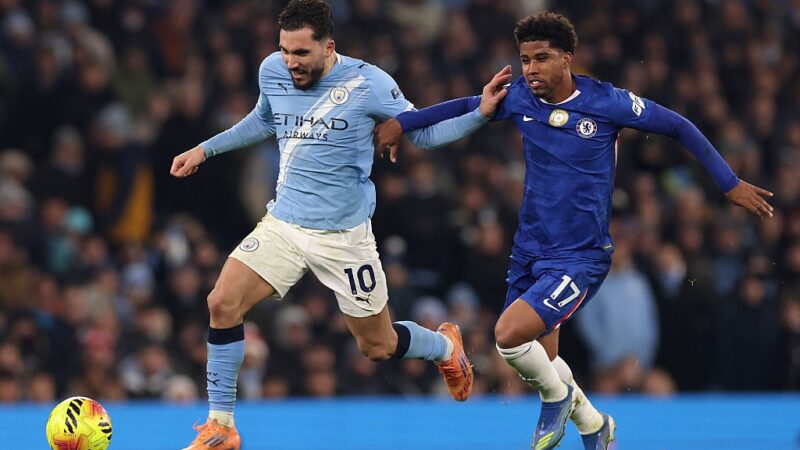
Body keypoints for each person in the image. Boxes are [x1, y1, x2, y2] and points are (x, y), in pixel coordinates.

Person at [374, 11, 773, 450]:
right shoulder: (521, 97)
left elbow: (678, 126)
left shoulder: (608, 103)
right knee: (540, 360)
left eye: (541, 58)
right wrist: (402, 123)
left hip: (580, 257)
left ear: (568, 58)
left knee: (507, 337)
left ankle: (558, 400)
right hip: (530, 250)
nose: (531, 69)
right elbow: (464, 106)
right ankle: (594, 424)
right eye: (525, 59)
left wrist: (728, 183)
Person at [169, 1, 505, 449]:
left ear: (329, 48)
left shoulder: (370, 84)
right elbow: (264, 120)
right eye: (285, 51)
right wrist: (204, 150)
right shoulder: (272, 70)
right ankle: (222, 426)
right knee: (222, 303)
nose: (291, 63)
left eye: (301, 53)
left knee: (378, 346)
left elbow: (422, 133)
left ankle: (445, 348)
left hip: (345, 239)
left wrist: (479, 114)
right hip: (284, 223)